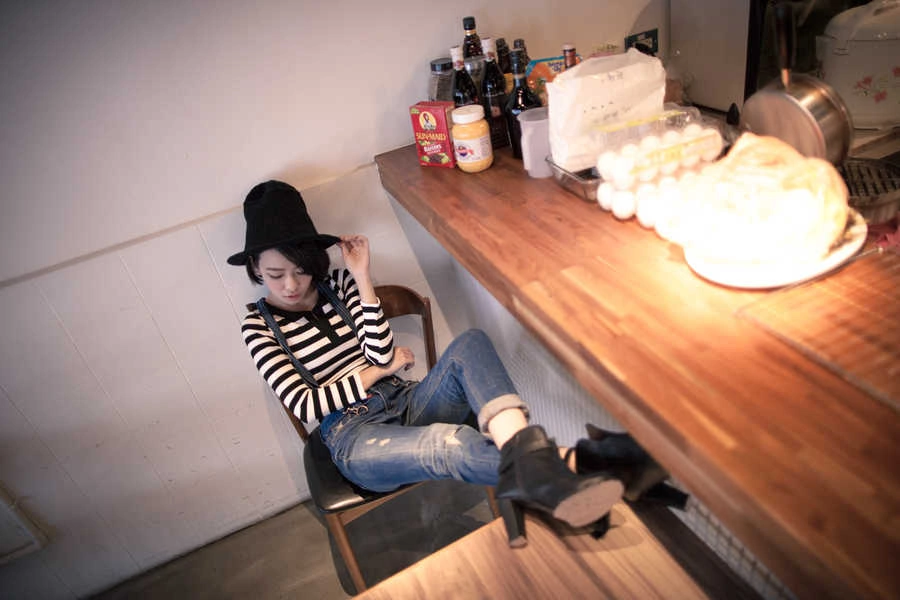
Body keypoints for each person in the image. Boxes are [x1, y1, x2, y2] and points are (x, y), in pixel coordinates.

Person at [229, 180, 670, 544]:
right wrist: (376, 372)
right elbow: (307, 405)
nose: (291, 285)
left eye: (300, 270)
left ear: (313, 261)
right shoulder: (258, 325)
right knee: (450, 442)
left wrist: (362, 276)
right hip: (354, 436)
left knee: (470, 343)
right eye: (275, 274)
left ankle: (531, 461)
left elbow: (381, 351)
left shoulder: (341, 284)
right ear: (255, 269)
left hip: (405, 401)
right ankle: (575, 463)